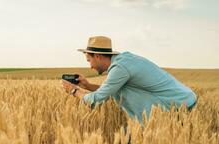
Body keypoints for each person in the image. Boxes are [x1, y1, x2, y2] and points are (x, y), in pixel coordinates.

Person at [62, 36, 197, 124]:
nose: (90, 66)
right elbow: (110, 90)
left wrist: (74, 91)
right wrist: (87, 85)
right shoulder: (123, 61)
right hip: (183, 100)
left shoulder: (120, 68)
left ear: (97, 56)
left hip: (180, 106)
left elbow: (97, 99)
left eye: (89, 60)